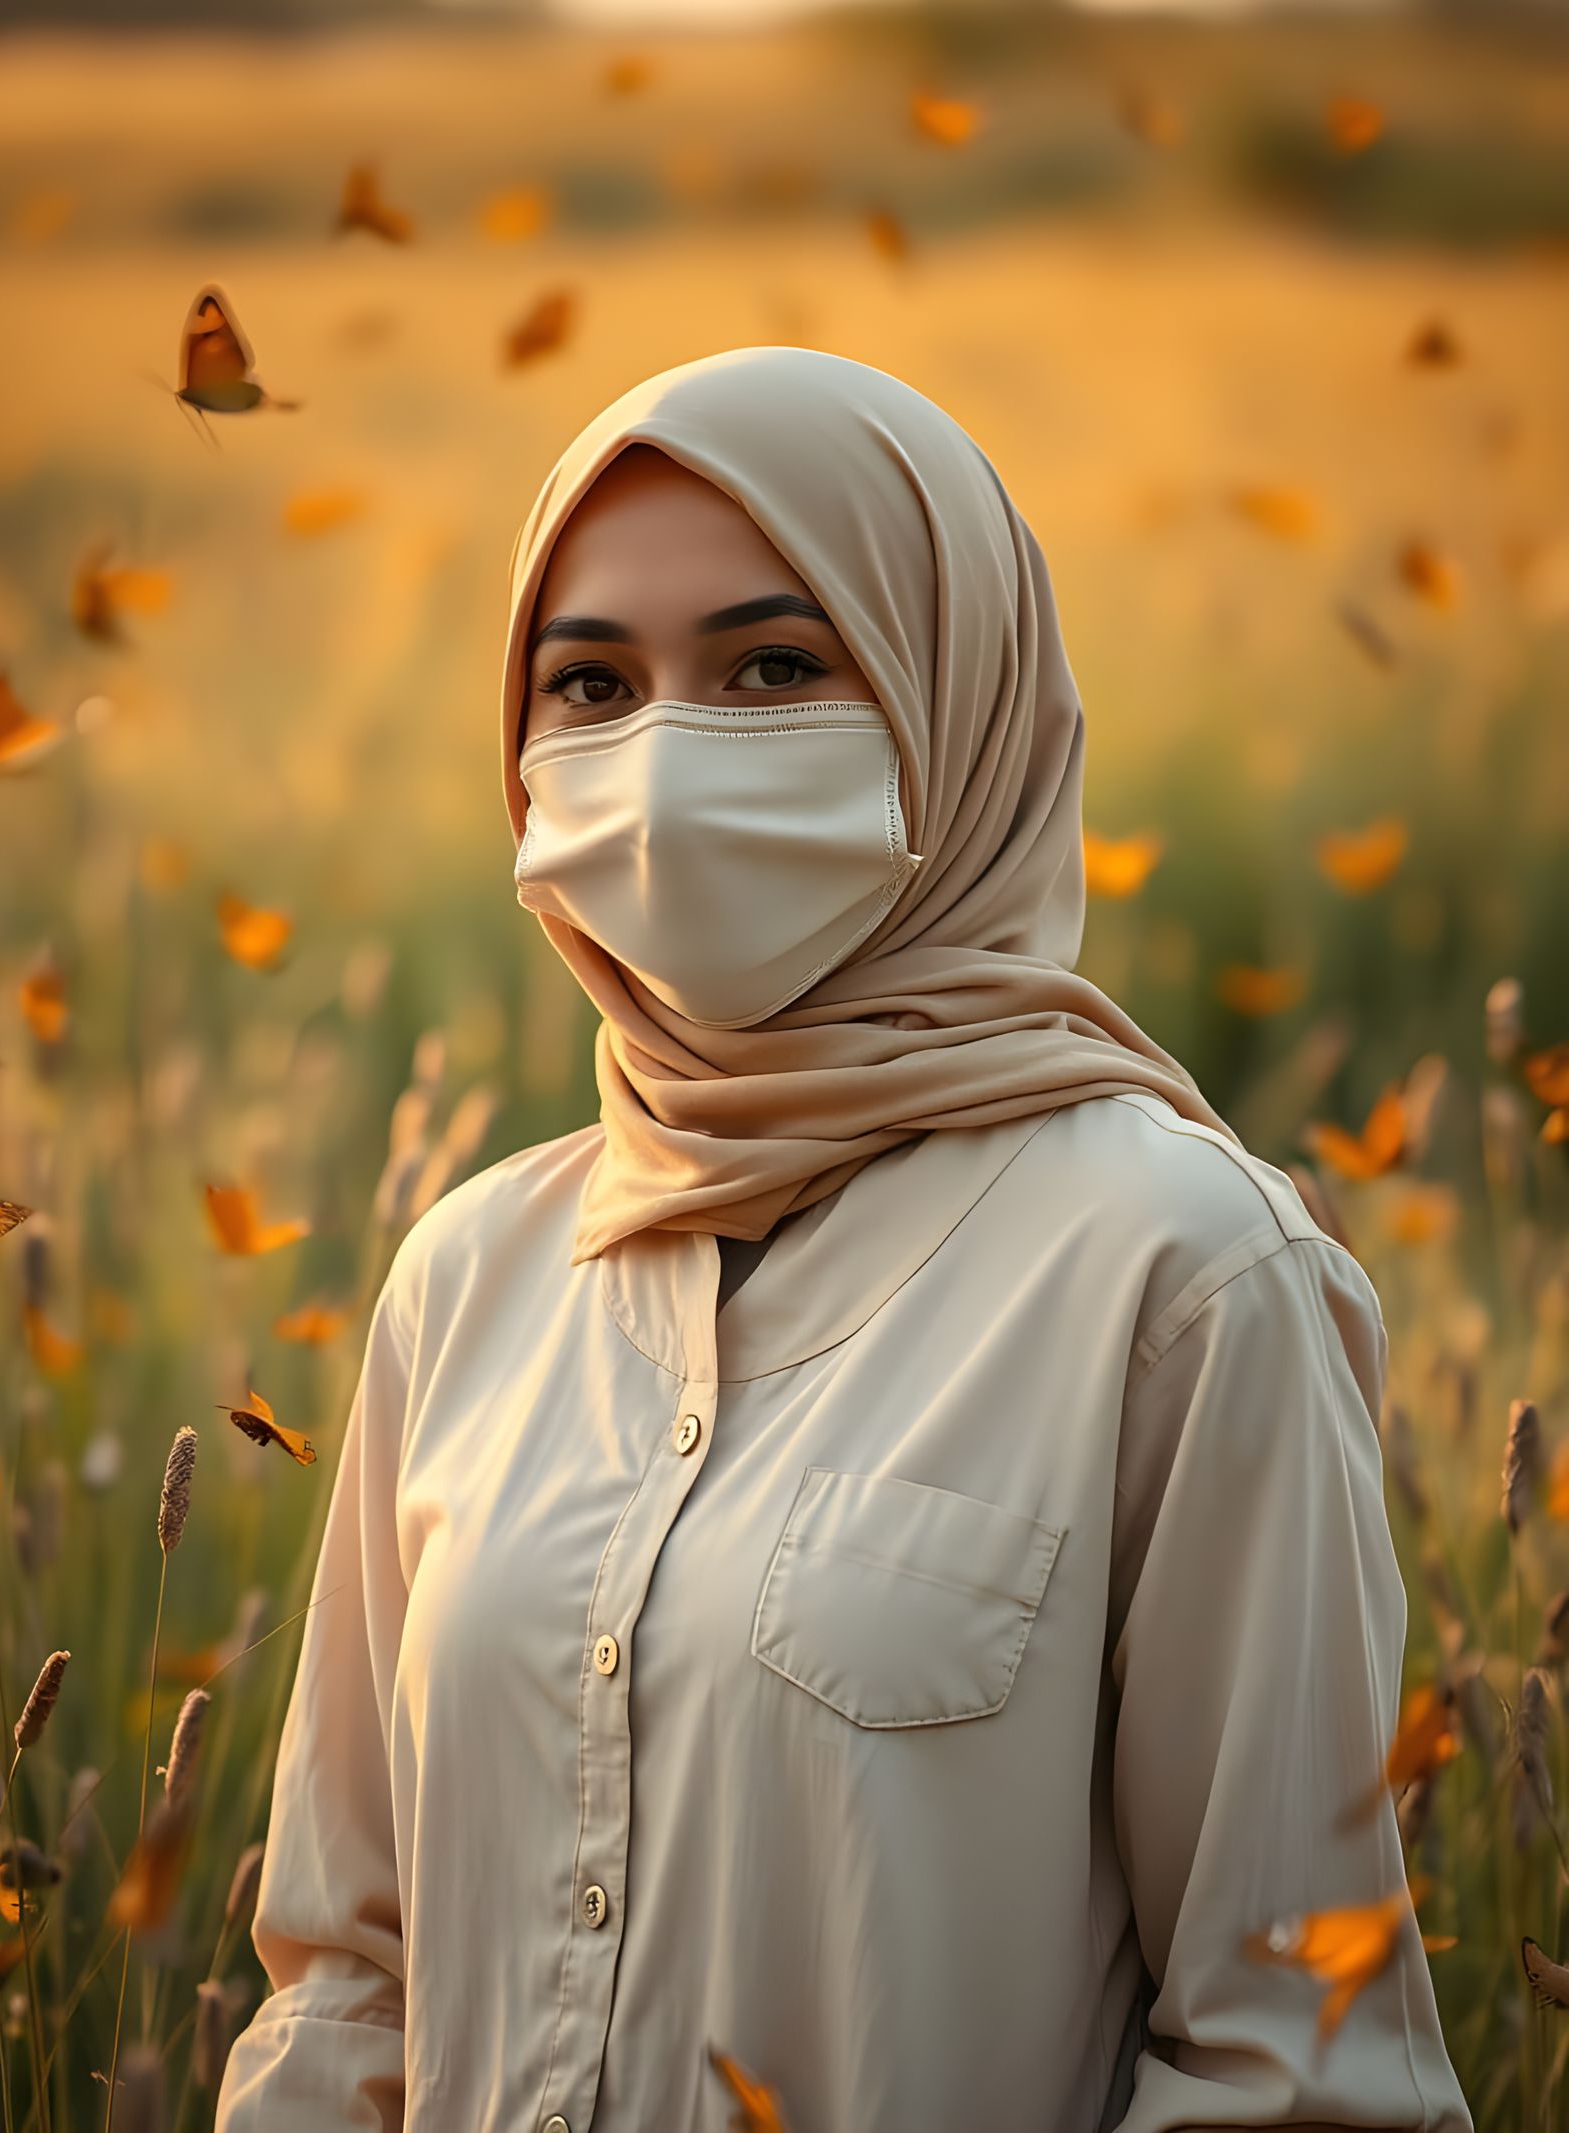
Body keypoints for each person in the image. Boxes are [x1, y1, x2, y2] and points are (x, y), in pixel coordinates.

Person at [214, 346, 1474, 2133]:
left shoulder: (1182, 1279)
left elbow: (1293, 2068)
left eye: (775, 668)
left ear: (957, 701)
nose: (659, 761)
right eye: (591, 683)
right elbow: (350, 1986)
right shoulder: (470, 1276)